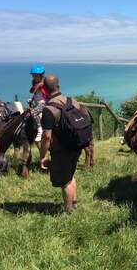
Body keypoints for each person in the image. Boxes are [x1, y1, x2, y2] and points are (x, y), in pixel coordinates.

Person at [39, 75, 90, 213]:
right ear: (58, 86)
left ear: (44, 90)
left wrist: (42, 156)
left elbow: (46, 136)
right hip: (77, 144)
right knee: (71, 175)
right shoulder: (72, 101)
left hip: (62, 149)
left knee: (64, 181)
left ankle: (68, 211)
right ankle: (73, 203)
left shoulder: (49, 109)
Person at [29, 65, 48, 150]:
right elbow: (33, 92)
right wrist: (32, 99)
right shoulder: (36, 83)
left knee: (33, 112)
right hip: (37, 102)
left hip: (44, 103)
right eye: (33, 75)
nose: (34, 77)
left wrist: (38, 85)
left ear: (41, 75)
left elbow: (34, 90)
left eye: (36, 75)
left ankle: (39, 128)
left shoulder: (44, 83)